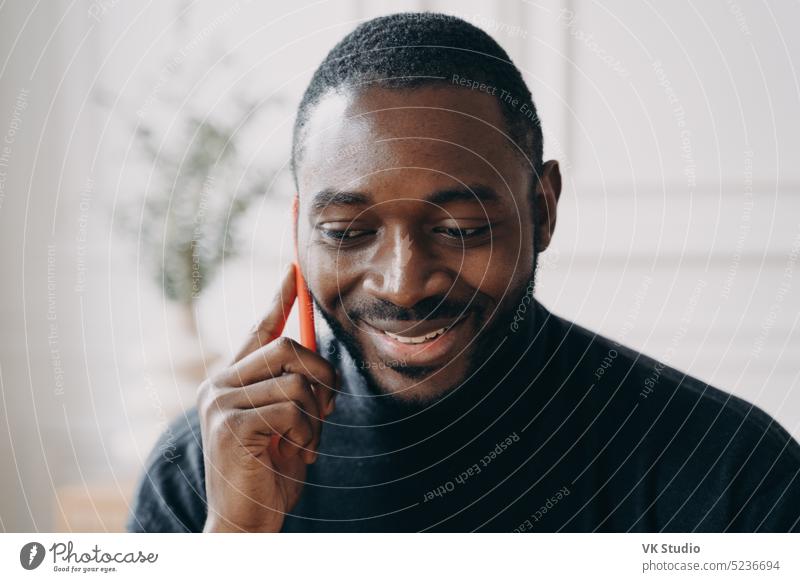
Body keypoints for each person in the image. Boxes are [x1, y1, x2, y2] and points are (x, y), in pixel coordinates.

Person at [128, 12, 800, 533]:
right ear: (300, 228)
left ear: (543, 208)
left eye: (461, 230)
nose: (403, 282)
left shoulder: (730, 469)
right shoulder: (199, 477)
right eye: (348, 233)